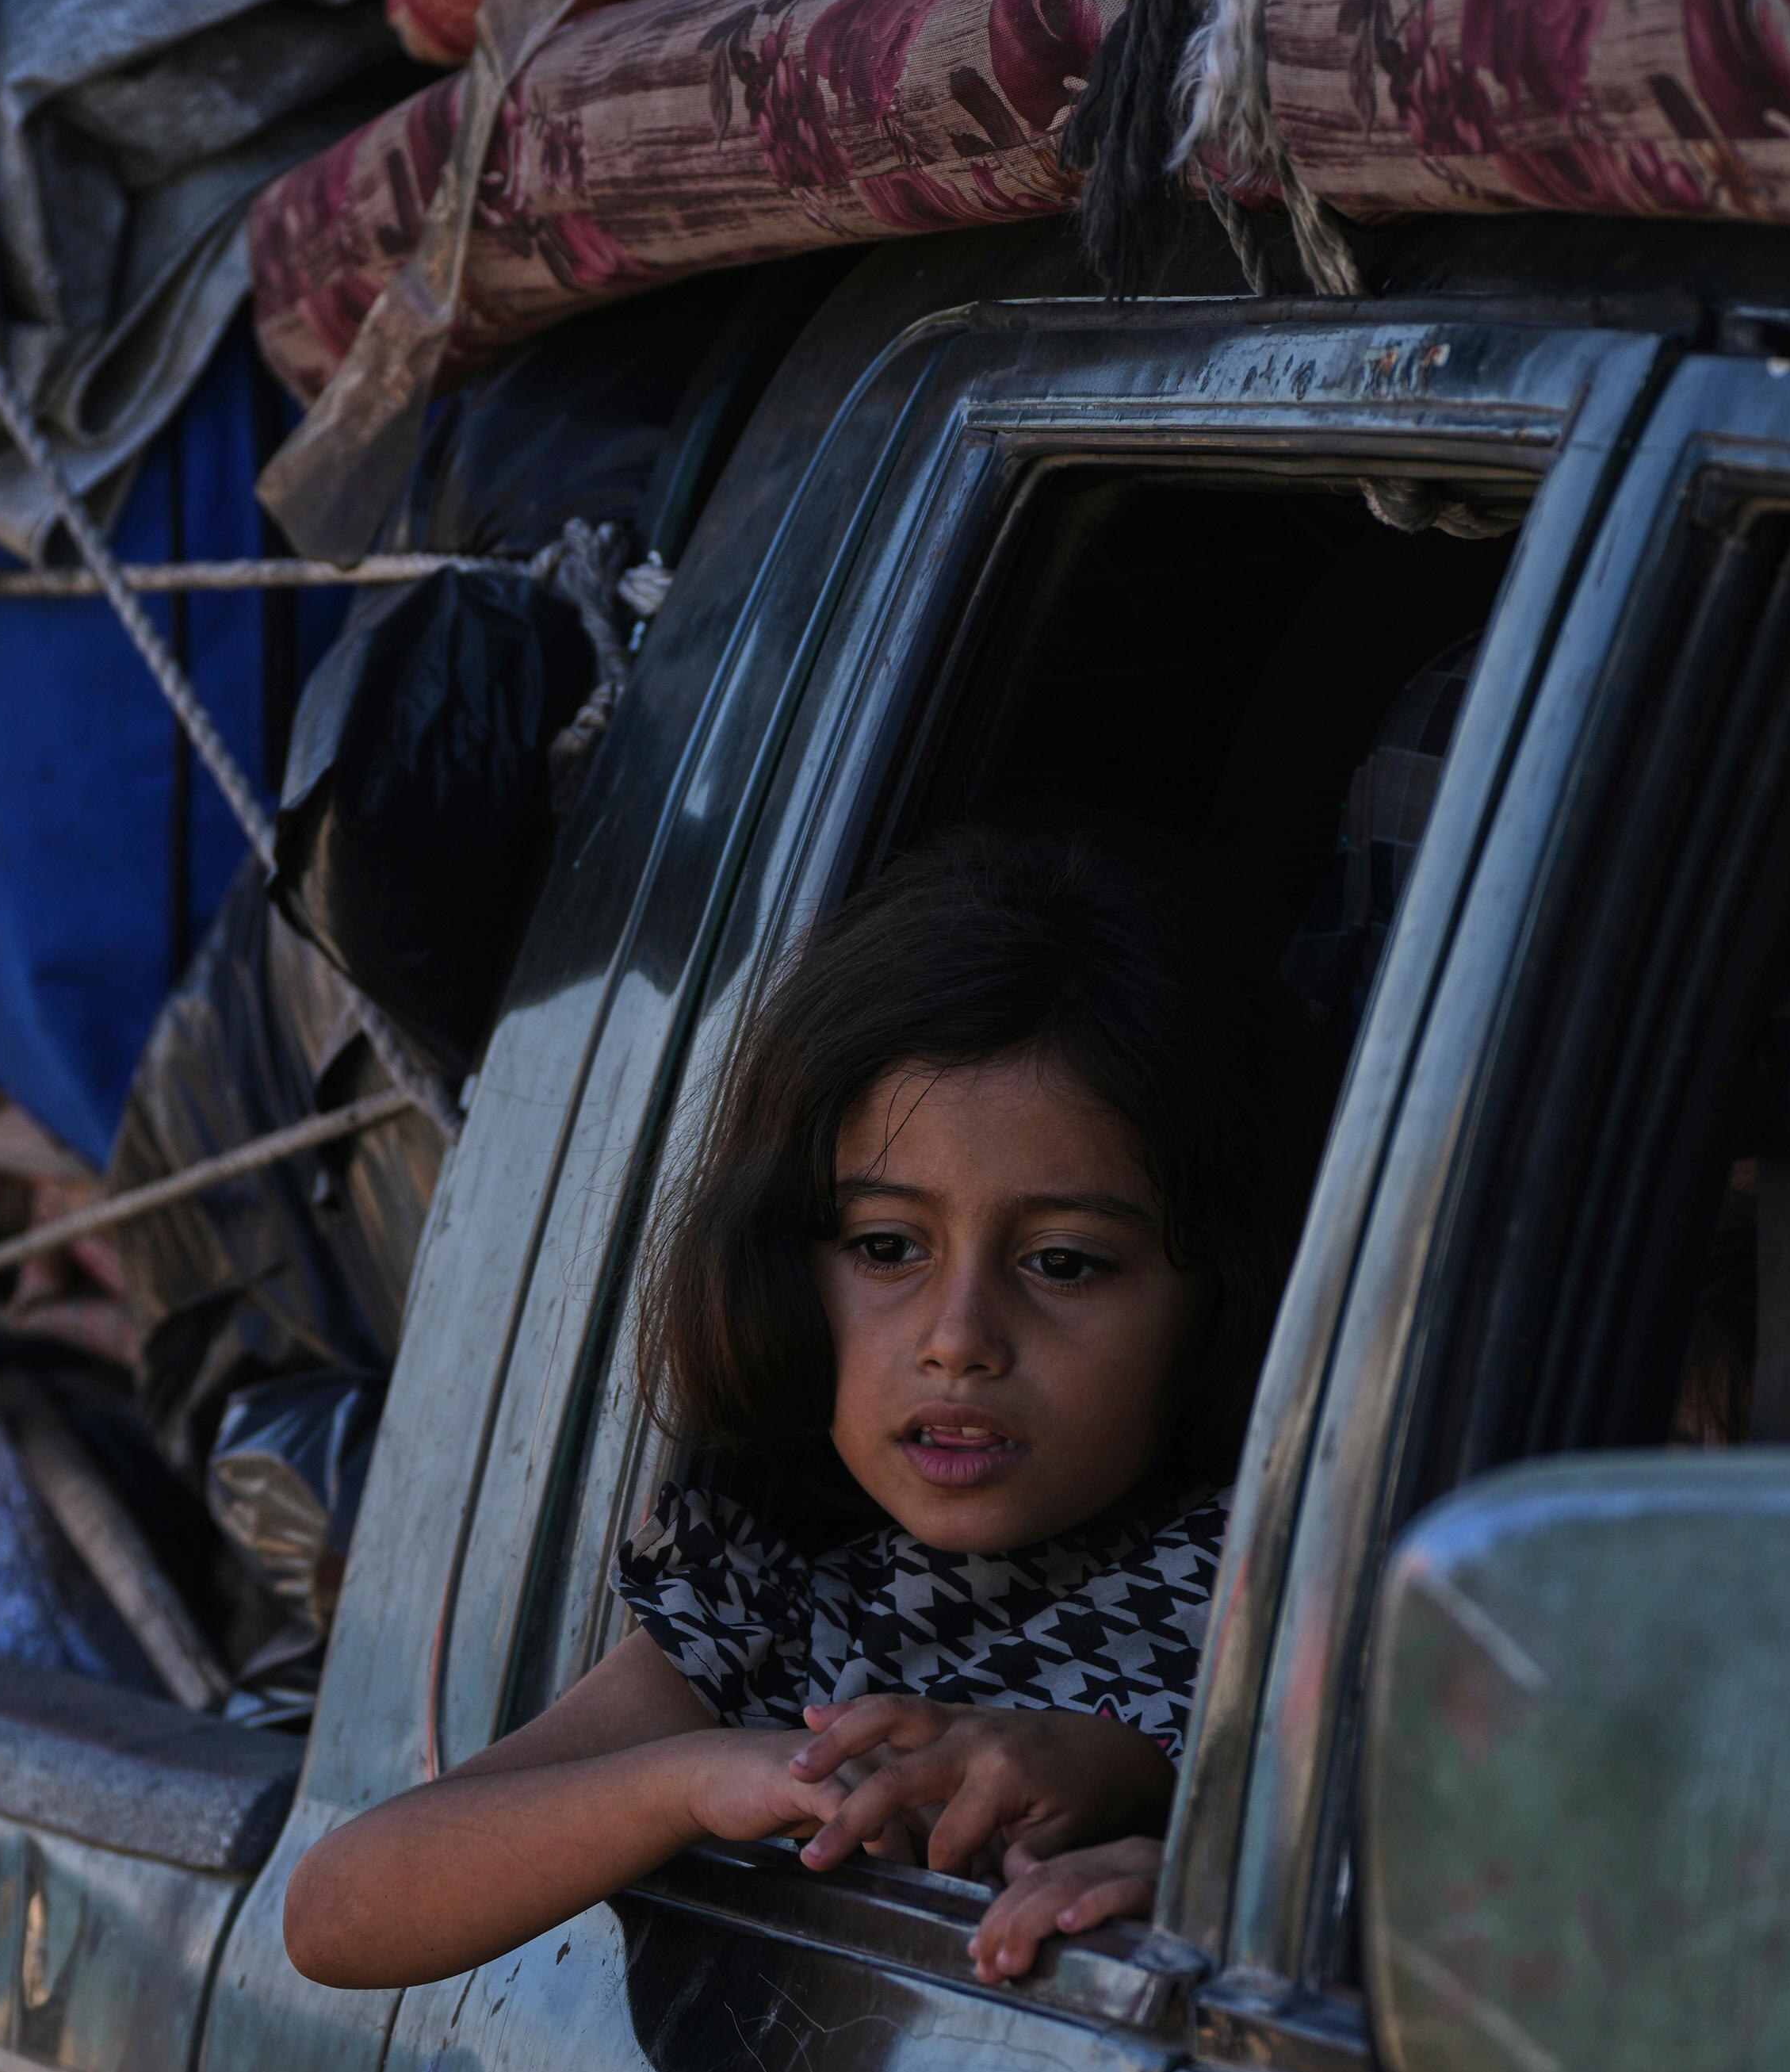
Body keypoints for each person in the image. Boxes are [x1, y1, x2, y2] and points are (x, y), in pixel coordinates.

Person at [279, 831, 1306, 1992]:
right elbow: (339, 1908)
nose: (959, 1336)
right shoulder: (778, 1595)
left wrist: (1187, 1863)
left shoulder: (1289, 1593)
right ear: (786, 1266)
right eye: (884, 1247)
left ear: (1221, 1290)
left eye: (1065, 1262)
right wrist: (698, 1777)